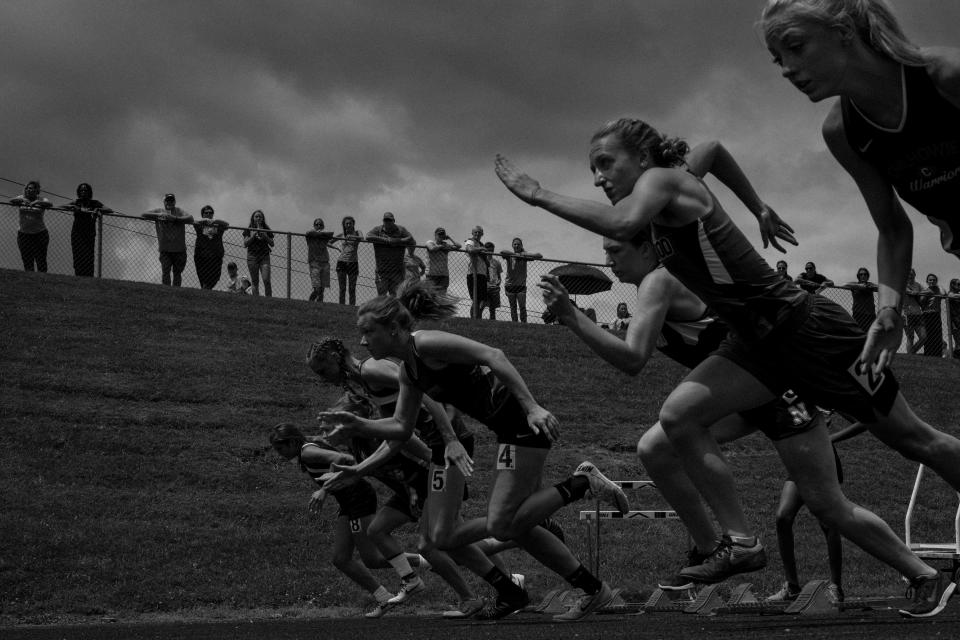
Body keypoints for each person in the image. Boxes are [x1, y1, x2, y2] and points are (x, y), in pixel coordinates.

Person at [496, 118, 960, 617]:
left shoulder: (664, 182)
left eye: (606, 163)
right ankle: (739, 542)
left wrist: (538, 193)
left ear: (644, 160)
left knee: (911, 440)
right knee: (677, 418)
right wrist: (756, 207)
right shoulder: (663, 196)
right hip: (756, 346)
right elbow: (713, 150)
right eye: (592, 169)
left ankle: (913, 570)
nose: (597, 178)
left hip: (808, 330)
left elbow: (624, 226)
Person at [318, 281, 629, 621]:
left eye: (368, 332)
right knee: (506, 529)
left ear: (393, 329)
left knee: (500, 524)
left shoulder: (427, 343)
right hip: (507, 433)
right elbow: (400, 428)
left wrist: (532, 407)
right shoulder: (409, 371)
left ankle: (580, 484)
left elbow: (493, 355)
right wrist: (357, 426)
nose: (363, 341)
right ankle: (594, 591)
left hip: (523, 425)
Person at [760, 0, 960, 372]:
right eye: (777, 59)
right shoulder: (843, 132)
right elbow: (893, 227)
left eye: (796, 46)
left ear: (843, 32)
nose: (786, 69)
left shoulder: (943, 76)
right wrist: (888, 309)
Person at [307, 338, 523, 619]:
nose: (323, 380)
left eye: (323, 371)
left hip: (443, 446)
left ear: (336, 357)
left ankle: (522, 533)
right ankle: (509, 580)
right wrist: (359, 470)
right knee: (441, 540)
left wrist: (447, 440)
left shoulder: (371, 369)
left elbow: (425, 394)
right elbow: (398, 433)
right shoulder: (367, 381)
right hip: (436, 448)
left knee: (435, 542)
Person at [269, 418, 426, 618]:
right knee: (341, 558)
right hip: (348, 501)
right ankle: (383, 597)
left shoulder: (307, 452)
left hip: (358, 497)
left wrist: (324, 490)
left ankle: (427, 562)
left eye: (279, 448)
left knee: (373, 559)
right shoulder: (306, 448)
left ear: (291, 442)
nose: (279, 454)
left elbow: (345, 459)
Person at [765, 418, 867, 604]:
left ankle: (835, 587)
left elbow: (864, 421)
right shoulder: (793, 398)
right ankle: (792, 586)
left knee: (828, 522)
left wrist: (830, 438)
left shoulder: (823, 395)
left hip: (823, 460)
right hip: (800, 460)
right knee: (783, 517)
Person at [142, 194, 194, 286]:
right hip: (165, 250)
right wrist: (159, 215)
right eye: (167, 201)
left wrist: (175, 218)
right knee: (165, 272)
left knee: (177, 273)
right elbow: (143, 214)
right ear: (164, 202)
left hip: (179, 250)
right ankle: (166, 291)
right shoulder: (159, 211)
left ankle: (176, 291)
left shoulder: (179, 211)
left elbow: (190, 218)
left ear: (174, 202)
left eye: (172, 201)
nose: (170, 202)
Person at [64, 183, 111, 277]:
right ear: (78, 192)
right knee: (77, 255)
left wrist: (98, 209)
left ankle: (89, 276)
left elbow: (109, 210)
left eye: (86, 190)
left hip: (89, 233)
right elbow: (60, 207)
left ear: (89, 192)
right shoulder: (76, 202)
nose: (83, 192)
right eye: (81, 190)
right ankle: (78, 275)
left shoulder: (94, 203)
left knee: (88, 255)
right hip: (77, 233)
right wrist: (72, 207)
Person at [10, 181, 53, 273]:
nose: (30, 190)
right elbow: (11, 200)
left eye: (32, 188)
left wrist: (37, 202)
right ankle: (30, 281)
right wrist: (23, 201)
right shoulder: (22, 198)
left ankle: (43, 281)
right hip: (24, 234)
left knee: (41, 260)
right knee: (27, 260)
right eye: (28, 188)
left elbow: (50, 204)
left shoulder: (42, 199)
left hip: (40, 234)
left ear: (37, 190)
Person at [367, 212, 413, 296]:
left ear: (394, 220)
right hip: (381, 271)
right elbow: (368, 236)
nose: (387, 222)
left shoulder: (401, 229)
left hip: (397, 271)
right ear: (383, 221)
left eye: (389, 220)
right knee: (381, 296)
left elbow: (410, 238)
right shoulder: (378, 229)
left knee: (395, 296)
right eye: (385, 220)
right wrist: (386, 240)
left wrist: (398, 241)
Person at [500, 238, 543, 323]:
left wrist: (523, 255)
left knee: (522, 307)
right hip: (510, 285)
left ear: (521, 246)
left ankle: (524, 323)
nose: (516, 246)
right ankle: (514, 323)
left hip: (521, 286)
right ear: (512, 245)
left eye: (518, 244)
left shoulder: (525, 256)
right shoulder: (509, 256)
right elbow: (502, 252)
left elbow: (539, 255)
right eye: (515, 244)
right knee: (513, 307)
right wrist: (515, 254)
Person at [193, 205, 229, 290]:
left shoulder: (217, 225)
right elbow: (194, 222)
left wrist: (214, 221)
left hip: (216, 256)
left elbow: (226, 224)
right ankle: (205, 291)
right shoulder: (200, 225)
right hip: (201, 255)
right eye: (206, 213)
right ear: (203, 214)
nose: (209, 214)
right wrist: (206, 220)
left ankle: (205, 290)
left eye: (210, 213)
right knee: (203, 278)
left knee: (215, 277)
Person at [242, 210, 274, 297]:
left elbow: (272, 243)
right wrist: (252, 236)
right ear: (253, 218)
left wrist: (265, 236)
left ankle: (269, 300)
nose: (258, 218)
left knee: (266, 280)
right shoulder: (248, 229)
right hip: (252, 257)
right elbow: (245, 243)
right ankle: (256, 300)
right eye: (256, 216)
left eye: (260, 216)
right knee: (255, 281)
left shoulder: (266, 229)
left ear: (263, 218)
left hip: (264, 257)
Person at [306, 218, 335, 302]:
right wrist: (318, 233)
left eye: (320, 224)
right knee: (317, 289)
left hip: (325, 263)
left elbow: (331, 233)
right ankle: (310, 302)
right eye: (317, 224)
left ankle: (319, 306)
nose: (319, 226)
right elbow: (308, 233)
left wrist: (320, 233)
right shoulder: (310, 237)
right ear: (314, 226)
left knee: (322, 290)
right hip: (314, 263)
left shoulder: (324, 236)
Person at [335, 216, 362, 305]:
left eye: (350, 223)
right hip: (341, 262)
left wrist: (352, 236)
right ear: (344, 225)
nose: (348, 225)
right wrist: (337, 248)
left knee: (352, 288)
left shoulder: (358, 232)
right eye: (346, 223)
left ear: (353, 224)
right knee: (342, 288)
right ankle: (341, 306)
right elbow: (329, 242)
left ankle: (351, 307)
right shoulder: (342, 234)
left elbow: (362, 238)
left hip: (353, 262)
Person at [425, 227, 460, 294]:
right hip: (432, 274)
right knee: (430, 295)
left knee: (442, 296)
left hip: (444, 275)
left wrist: (449, 238)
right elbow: (432, 248)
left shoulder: (445, 244)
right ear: (435, 235)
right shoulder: (430, 242)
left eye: (443, 234)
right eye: (439, 234)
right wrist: (441, 246)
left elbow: (458, 246)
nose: (441, 236)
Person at [463, 226, 489, 319]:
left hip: (482, 274)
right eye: (475, 232)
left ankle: (478, 316)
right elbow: (470, 249)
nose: (477, 234)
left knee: (484, 300)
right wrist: (481, 249)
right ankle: (474, 318)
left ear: (482, 234)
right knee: (476, 299)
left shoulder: (481, 244)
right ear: (472, 233)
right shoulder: (470, 241)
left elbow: (487, 261)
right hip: (473, 273)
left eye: (479, 232)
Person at [843, 267, 878, 333]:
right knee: (858, 334)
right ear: (858, 276)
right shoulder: (855, 284)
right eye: (861, 275)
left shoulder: (870, 284)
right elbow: (844, 285)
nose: (863, 276)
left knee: (871, 335)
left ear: (867, 276)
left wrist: (869, 287)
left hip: (870, 315)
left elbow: (880, 288)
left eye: (865, 274)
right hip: (858, 314)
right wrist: (860, 286)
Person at [918, 273, 945, 357]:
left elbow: (944, 293)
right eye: (930, 280)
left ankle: (937, 354)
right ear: (927, 281)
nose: (932, 281)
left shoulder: (938, 290)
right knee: (929, 334)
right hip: (928, 314)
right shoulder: (926, 291)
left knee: (937, 334)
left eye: (934, 280)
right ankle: (929, 353)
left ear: (936, 281)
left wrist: (939, 287)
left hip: (936, 314)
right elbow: (921, 302)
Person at [903, 268, 927, 354]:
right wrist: (918, 293)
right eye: (908, 273)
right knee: (910, 337)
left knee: (924, 336)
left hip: (918, 313)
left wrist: (920, 294)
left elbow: (925, 292)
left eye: (912, 273)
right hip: (906, 313)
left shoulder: (918, 285)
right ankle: (910, 356)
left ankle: (911, 352)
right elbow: (911, 292)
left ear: (915, 275)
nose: (910, 275)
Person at [485, 242, 504, 320]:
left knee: (493, 307)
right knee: (482, 304)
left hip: (494, 286)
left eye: (491, 250)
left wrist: (499, 282)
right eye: (488, 250)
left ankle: (492, 320)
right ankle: (477, 318)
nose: (490, 252)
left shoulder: (496, 262)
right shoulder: (482, 261)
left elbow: (499, 275)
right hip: (485, 285)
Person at [949, 278, 960, 359]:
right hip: (954, 321)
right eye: (958, 284)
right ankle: (956, 356)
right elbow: (951, 296)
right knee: (958, 340)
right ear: (953, 285)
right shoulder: (951, 294)